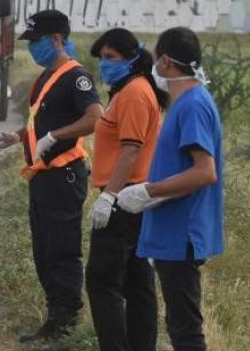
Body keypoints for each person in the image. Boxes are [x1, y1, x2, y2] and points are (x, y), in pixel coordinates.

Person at [0, 9, 103, 344]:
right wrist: (19, 137)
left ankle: (66, 323)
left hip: (64, 176)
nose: (33, 48)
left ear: (58, 39)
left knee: (61, 250)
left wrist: (56, 136)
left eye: (38, 41)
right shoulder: (45, 78)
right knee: (42, 250)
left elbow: (95, 118)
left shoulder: (76, 77)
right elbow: (39, 123)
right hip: (43, 177)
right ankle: (54, 318)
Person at [115, 27, 224, 351]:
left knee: (186, 331)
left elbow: (205, 172)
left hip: (183, 233)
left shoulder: (192, 105)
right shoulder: (185, 102)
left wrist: (148, 191)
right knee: (178, 324)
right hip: (172, 233)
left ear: (164, 61)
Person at [86, 28, 170, 351]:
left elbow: (131, 150)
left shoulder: (135, 92)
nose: (105, 64)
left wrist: (108, 197)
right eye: (101, 58)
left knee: (102, 280)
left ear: (131, 58)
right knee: (137, 283)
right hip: (133, 198)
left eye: (110, 58)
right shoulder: (131, 88)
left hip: (124, 198)